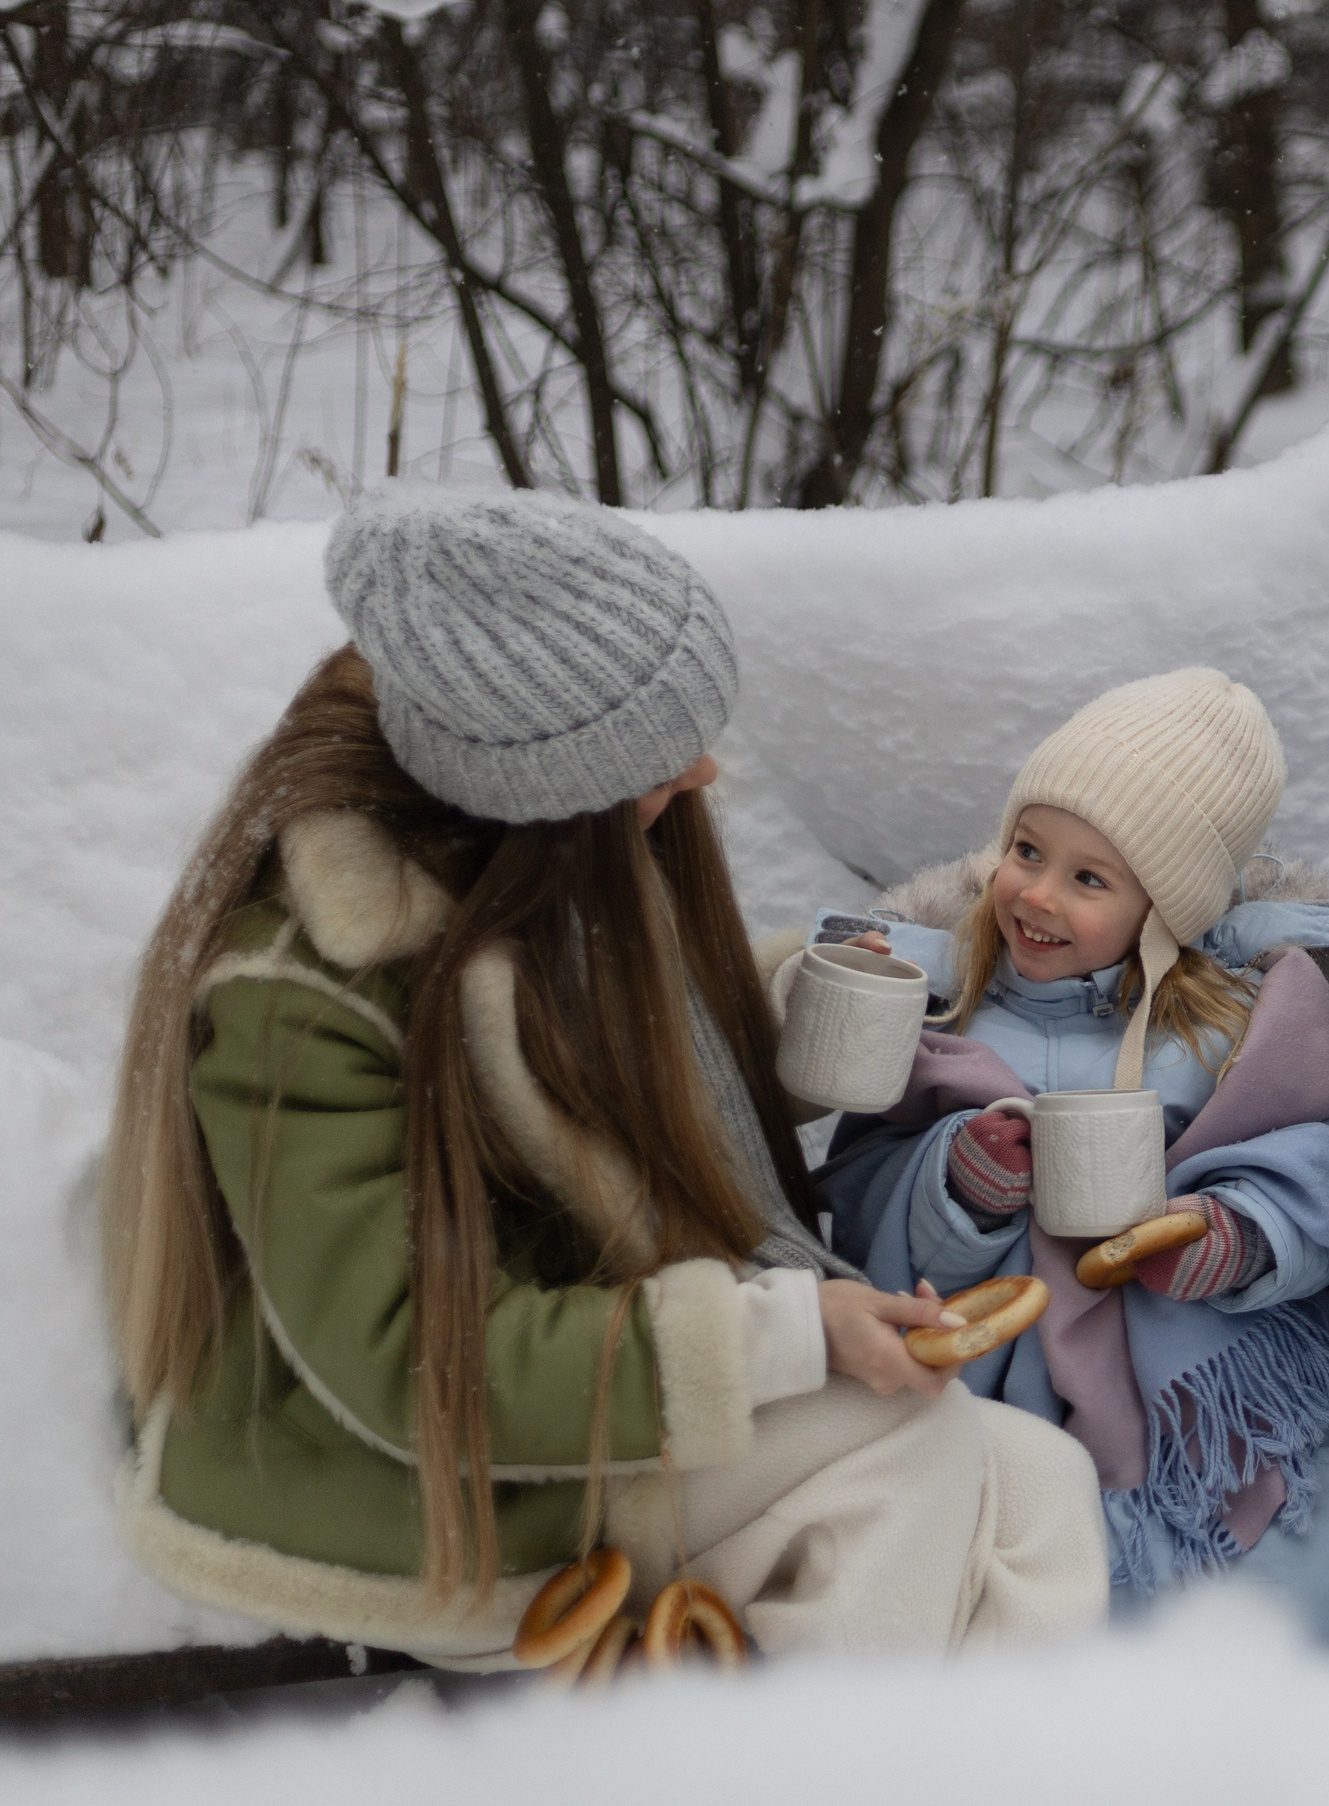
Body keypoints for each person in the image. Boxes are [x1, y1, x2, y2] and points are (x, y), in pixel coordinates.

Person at [102, 487, 1108, 1668]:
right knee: (909, 1451)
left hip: (594, 1387)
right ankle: (764, 1753)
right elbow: (406, 1364)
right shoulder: (303, 995)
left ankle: (978, 1756)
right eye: (657, 758)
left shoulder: (537, 846)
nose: (703, 768)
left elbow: (594, 1075)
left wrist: (796, 1015)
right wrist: (783, 1335)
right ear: (544, 788)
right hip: (417, 1477)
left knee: (1039, 1483)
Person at [816, 669, 1329, 1673]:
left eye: (1090, 879)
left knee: (1306, 1595)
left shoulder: (1243, 1028)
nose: (1038, 893)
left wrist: (1247, 1237)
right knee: (999, 1609)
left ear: (1167, 905)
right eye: (1027, 851)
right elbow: (857, 1197)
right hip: (1003, 1382)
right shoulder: (945, 1013)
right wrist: (959, 1190)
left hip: (1216, 1384)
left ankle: (1285, 1715)